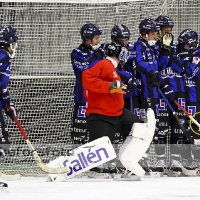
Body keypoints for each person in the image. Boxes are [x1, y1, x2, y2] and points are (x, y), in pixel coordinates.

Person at [82, 41, 156, 179]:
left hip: (117, 113)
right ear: (119, 53)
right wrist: (115, 86)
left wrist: (126, 87)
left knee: (137, 125)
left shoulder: (113, 68)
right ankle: (96, 169)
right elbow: (87, 78)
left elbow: (115, 89)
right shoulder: (104, 64)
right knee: (99, 151)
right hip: (101, 114)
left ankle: (129, 162)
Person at [133, 18, 174, 176]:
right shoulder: (139, 45)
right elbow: (139, 62)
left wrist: (164, 50)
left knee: (153, 127)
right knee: (144, 127)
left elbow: (160, 66)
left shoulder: (153, 46)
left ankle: (149, 161)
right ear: (144, 34)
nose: (156, 36)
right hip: (144, 94)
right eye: (153, 34)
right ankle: (140, 161)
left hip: (155, 94)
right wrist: (150, 72)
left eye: (157, 34)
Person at [70, 23, 105, 146]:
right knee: (79, 132)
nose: (99, 41)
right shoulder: (77, 52)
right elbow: (86, 69)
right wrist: (96, 57)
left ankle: (96, 163)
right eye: (96, 38)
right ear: (88, 39)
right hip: (82, 98)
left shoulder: (101, 51)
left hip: (98, 98)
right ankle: (77, 161)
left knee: (97, 132)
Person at [0, 26, 18, 188]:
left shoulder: (4, 56)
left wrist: (8, 103)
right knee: (2, 142)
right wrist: (6, 100)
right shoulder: (3, 56)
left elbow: (2, 86)